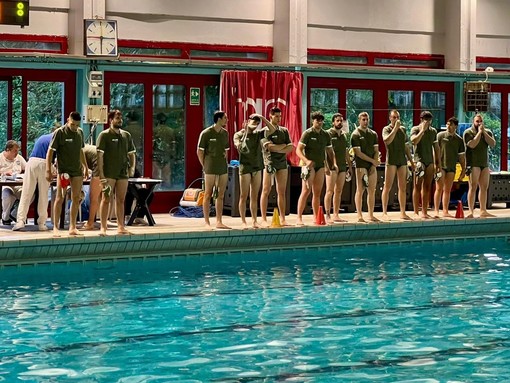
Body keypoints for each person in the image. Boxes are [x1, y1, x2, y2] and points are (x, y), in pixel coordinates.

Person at [46, 111, 88, 237]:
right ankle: (56, 227)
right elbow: (50, 152)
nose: (74, 127)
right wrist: (48, 170)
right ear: (68, 120)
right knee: (60, 197)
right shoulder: (60, 132)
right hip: (63, 171)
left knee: (76, 198)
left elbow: (81, 151)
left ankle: (72, 227)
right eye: (73, 124)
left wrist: (85, 166)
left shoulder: (79, 132)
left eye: (77, 125)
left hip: (77, 170)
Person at [97, 109, 136, 236]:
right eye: (117, 118)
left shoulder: (126, 135)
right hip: (109, 172)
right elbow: (100, 156)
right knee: (106, 198)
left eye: (121, 118)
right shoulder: (104, 135)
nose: (120, 120)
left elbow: (132, 154)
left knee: (121, 199)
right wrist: (101, 174)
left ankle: (121, 226)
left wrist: (132, 168)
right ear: (111, 120)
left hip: (122, 172)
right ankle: (103, 227)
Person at [296, 111, 336, 225]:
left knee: (317, 193)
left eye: (321, 120)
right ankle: (299, 216)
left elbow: (329, 151)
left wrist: (331, 164)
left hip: (320, 165)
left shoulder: (325, 135)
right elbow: (298, 150)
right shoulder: (307, 133)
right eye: (317, 120)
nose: (319, 122)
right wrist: (306, 161)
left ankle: (316, 216)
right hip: (309, 165)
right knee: (305, 191)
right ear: (313, 121)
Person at [13, 130, 56, 231]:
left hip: (31, 162)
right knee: (43, 194)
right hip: (44, 163)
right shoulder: (57, 139)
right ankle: (41, 223)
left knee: (26, 193)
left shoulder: (43, 137)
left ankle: (20, 221)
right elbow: (54, 158)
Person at [259, 107, 294, 226]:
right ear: (270, 116)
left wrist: (278, 148)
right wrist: (282, 147)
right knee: (266, 190)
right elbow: (269, 147)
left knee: (281, 191)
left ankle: (283, 217)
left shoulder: (284, 131)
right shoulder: (264, 131)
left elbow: (291, 147)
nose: (279, 119)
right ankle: (263, 218)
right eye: (276, 116)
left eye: (280, 116)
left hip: (282, 164)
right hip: (269, 163)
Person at [196, 110, 230, 230]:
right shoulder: (206, 133)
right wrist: (204, 165)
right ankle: (206, 221)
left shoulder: (225, 133)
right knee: (208, 193)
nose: (227, 120)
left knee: (220, 194)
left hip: (222, 166)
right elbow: (200, 151)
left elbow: (226, 150)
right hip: (209, 166)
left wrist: (225, 161)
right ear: (219, 119)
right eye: (225, 118)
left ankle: (219, 221)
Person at [381, 110, 414, 221]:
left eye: (397, 117)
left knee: (403, 187)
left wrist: (411, 162)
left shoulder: (403, 129)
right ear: (390, 118)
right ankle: (384, 211)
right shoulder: (386, 129)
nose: (396, 119)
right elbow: (387, 140)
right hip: (391, 160)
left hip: (402, 160)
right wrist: (395, 129)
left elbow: (406, 147)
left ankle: (403, 211)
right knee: (388, 186)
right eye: (394, 117)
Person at [233, 114, 264, 229]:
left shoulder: (258, 134)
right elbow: (239, 146)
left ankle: (255, 220)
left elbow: (271, 129)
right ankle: (243, 221)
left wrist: (262, 118)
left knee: (254, 196)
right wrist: (246, 131)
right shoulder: (239, 134)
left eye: (257, 123)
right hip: (245, 167)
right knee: (243, 195)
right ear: (246, 121)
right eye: (253, 121)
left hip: (256, 167)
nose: (255, 124)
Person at [463, 113, 496, 218]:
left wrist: (484, 133)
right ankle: (470, 211)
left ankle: (483, 210)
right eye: (477, 121)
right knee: (473, 187)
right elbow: (472, 145)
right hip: (473, 163)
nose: (479, 123)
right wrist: (479, 133)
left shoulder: (488, 132)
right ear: (473, 122)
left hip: (484, 164)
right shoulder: (468, 132)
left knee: (484, 187)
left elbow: (492, 144)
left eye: (481, 121)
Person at [433, 117, 466, 218]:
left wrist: (463, 170)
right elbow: (434, 151)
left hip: (451, 167)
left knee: (447, 190)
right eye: (447, 124)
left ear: (455, 126)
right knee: (438, 188)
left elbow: (461, 157)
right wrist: (436, 164)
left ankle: (445, 210)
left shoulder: (459, 140)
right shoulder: (440, 136)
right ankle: (436, 210)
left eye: (451, 125)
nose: (448, 126)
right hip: (441, 165)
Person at [351, 112, 380, 222]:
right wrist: (373, 161)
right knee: (360, 189)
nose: (365, 121)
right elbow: (358, 153)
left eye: (367, 119)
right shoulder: (355, 134)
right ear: (359, 120)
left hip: (371, 165)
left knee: (372, 190)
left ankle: (371, 214)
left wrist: (373, 164)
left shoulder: (373, 134)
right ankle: (359, 214)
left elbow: (376, 150)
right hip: (361, 165)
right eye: (363, 119)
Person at [411, 110, 440, 219]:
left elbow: (436, 148)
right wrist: (422, 131)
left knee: (427, 187)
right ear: (421, 120)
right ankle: (415, 211)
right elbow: (414, 141)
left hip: (430, 161)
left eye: (429, 120)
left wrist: (438, 164)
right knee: (417, 186)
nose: (427, 122)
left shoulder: (433, 132)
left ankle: (424, 211)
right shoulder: (416, 129)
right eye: (425, 120)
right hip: (419, 160)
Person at [324, 113, 352, 223]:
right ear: (333, 122)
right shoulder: (328, 134)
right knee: (329, 190)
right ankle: (327, 214)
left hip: (342, 166)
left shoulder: (344, 136)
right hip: (331, 166)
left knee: (339, 191)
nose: (339, 122)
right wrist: (326, 165)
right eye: (337, 120)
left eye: (341, 120)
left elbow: (346, 152)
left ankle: (336, 214)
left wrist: (349, 166)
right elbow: (324, 151)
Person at [0, 140, 27, 225]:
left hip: (18, 185)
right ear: (8, 150)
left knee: (29, 194)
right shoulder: (0, 157)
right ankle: (5, 218)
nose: (16, 153)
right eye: (15, 151)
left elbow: (27, 168)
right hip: (6, 184)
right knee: (7, 195)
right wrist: (3, 173)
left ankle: (15, 214)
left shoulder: (19, 158)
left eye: (17, 151)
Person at [82, 144, 102, 230]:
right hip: (109, 165)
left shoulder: (77, 151)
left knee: (93, 197)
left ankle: (90, 223)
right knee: (103, 197)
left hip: (99, 166)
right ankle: (103, 223)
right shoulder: (87, 148)